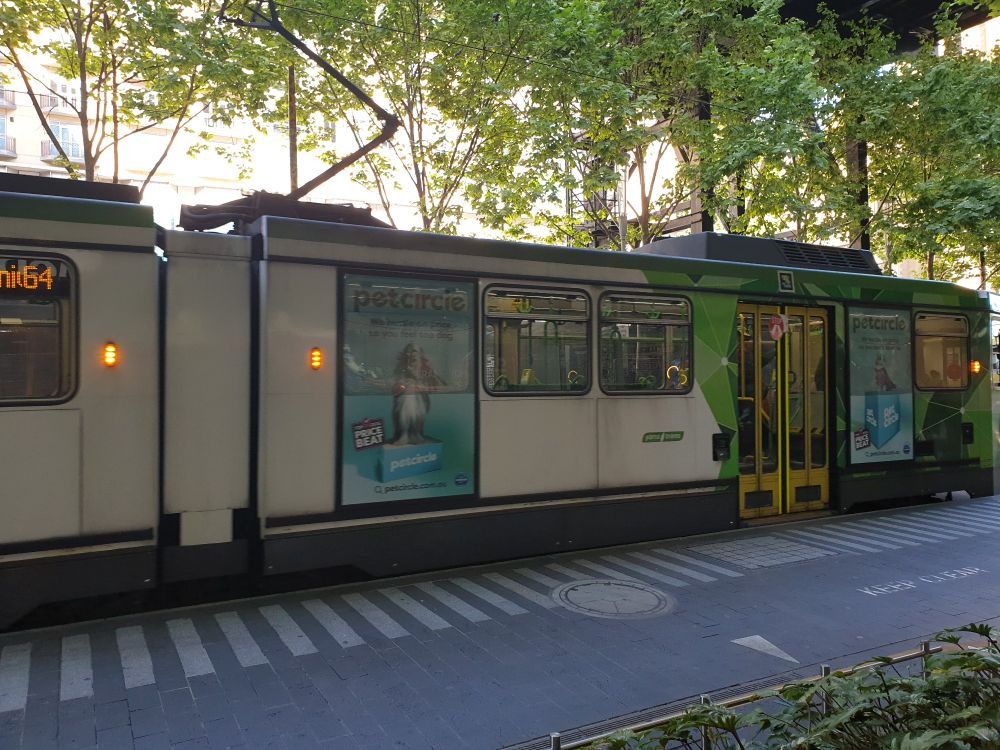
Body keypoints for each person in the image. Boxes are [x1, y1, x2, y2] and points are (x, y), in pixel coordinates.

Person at [390, 343, 444, 445]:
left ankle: (415, 434)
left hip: (421, 396)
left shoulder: (426, 366)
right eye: (408, 351)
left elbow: (436, 382)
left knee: (418, 410)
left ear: (420, 354)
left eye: (414, 351)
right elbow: (396, 382)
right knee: (406, 403)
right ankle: (404, 434)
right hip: (406, 395)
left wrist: (419, 380)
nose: (410, 354)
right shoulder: (402, 366)